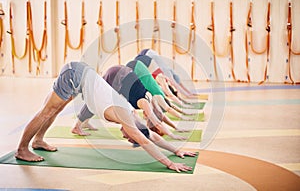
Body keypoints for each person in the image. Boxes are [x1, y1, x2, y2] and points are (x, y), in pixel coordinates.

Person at [15, 61, 196, 172]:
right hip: (75, 74)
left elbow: (150, 134)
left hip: (80, 76)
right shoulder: (126, 115)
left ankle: (38, 140)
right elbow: (144, 140)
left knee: (54, 110)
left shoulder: (132, 116)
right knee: (47, 111)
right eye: (128, 136)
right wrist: (169, 163)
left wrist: (176, 150)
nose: (126, 137)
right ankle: (22, 149)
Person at [72, 65, 187, 140]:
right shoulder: (146, 104)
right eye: (148, 120)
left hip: (122, 73)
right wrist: (172, 135)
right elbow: (157, 122)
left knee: (100, 99)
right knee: (96, 98)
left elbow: (160, 118)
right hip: (117, 75)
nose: (146, 118)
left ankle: (84, 121)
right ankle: (77, 126)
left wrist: (176, 128)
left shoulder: (153, 103)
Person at [126, 59, 196, 120]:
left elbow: (171, 106)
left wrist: (185, 113)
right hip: (137, 68)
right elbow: (169, 108)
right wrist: (183, 117)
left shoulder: (160, 96)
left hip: (139, 67)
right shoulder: (158, 97)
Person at [138, 49, 203, 101]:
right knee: (175, 80)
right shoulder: (162, 72)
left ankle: (188, 93)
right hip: (148, 54)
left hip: (147, 55)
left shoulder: (163, 73)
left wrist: (188, 94)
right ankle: (188, 93)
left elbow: (176, 84)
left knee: (175, 80)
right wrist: (188, 95)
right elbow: (176, 84)